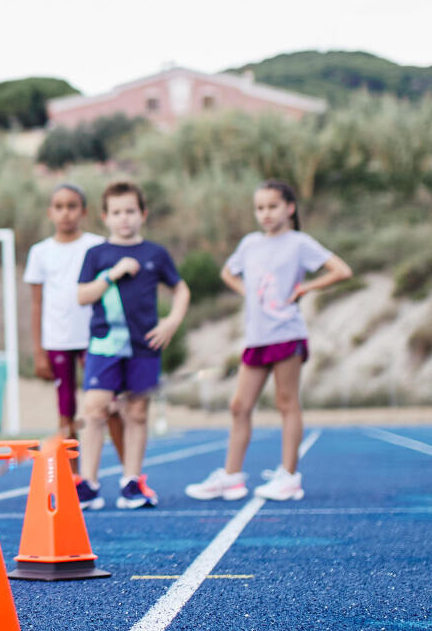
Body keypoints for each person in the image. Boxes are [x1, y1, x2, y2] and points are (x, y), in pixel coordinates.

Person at [186, 180, 352, 502]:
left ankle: (289, 477)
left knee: (286, 402)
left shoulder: (299, 243)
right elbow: (227, 273)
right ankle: (232, 477)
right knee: (239, 405)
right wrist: (248, 293)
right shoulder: (250, 244)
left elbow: (342, 270)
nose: (265, 213)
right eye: (260, 208)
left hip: (287, 333)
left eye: (272, 206)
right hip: (256, 337)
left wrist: (305, 289)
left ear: (289, 208)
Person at [74, 180, 189, 510]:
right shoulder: (96, 254)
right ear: (105, 216)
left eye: (130, 211)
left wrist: (171, 322)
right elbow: (82, 296)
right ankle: (89, 484)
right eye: (116, 212)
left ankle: (131, 482)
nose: (124, 219)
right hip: (104, 345)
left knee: (137, 413)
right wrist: (113, 274)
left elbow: (181, 290)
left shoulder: (156, 253)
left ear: (143, 214)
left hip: (144, 346)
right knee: (94, 409)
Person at [25, 182, 126, 456]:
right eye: (59, 207)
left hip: (95, 339)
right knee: (66, 411)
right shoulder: (40, 252)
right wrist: (38, 351)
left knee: (109, 405)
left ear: (84, 211)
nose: (65, 213)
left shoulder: (97, 246)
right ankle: (74, 481)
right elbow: (36, 303)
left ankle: (130, 474)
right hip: (57, 339)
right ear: (50, 213)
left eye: (72, 206)